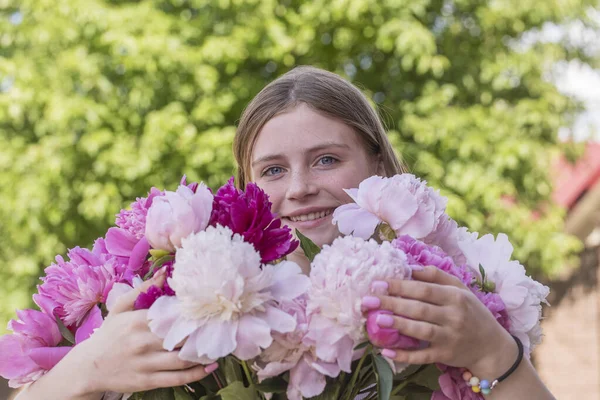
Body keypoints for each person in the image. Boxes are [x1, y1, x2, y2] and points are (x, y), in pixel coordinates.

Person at [16, 66, 555, 399]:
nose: (298, 189)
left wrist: (495, 355)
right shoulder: (188, 303)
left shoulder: (443, 298)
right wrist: (86, 368)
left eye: (326, 159)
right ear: (246, 187)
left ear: (378, 165)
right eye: (273, 170)